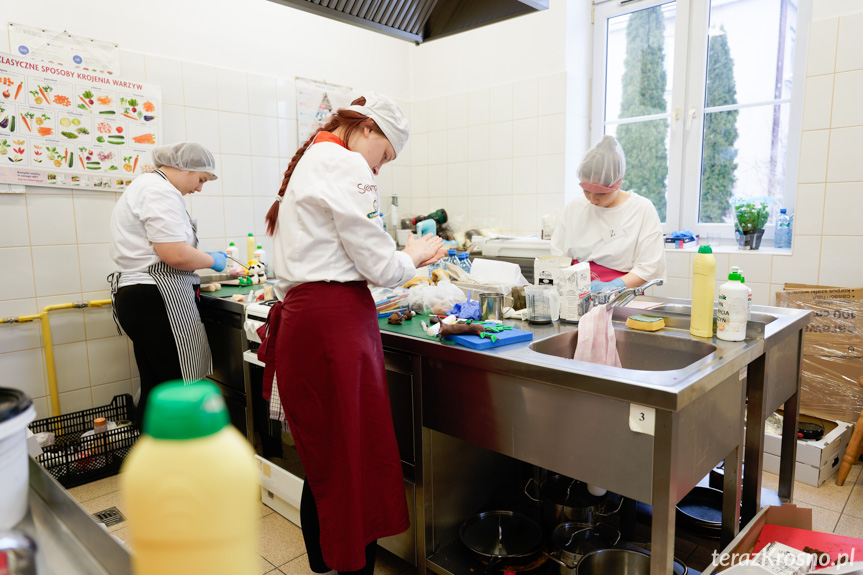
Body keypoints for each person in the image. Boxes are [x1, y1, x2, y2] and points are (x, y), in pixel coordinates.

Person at [258, 93, 444, 574]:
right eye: (384, 157)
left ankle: (329, 561)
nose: (379, 171)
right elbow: (381, 266)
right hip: (333, 328)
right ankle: (351, 566)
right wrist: (415, 255)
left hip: (308, 321)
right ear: (366, 130)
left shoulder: (315, 160)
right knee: (349, 456)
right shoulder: (344, 165)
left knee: (326, 456)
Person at [108, 142, 226, 425]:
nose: (199, 189)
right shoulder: (159, 191)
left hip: (140, 297)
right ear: (184, 167)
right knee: (181, 386)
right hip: (158, 298)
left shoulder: (147, 186)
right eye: (201, 180)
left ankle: (152, 459)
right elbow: (174, 254)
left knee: (157, 385)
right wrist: (212, 260)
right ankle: (184, 461)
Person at [551, 135, 666, 292]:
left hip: (622, 294)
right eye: (586, 191)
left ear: (618, 182)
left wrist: (614, 285)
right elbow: (558, 254)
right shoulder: (575, 207)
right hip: (575, 294)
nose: (592, 199)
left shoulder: (641, 209)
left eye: (601, 193)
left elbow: (650, 265)